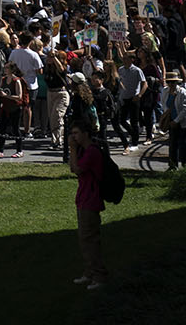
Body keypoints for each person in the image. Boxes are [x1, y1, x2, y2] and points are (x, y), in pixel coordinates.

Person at [67, 121, 108, 290]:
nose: (74, 137)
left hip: (90, 199)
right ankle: (90, 272)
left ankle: (99, 275)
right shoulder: (86, 151)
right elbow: (72, 167)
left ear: (86, 134)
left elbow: (77, 169)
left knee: (89, 238)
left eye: (76, 133)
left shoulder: (91, 152)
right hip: (84, 198)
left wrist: (73, 149)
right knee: (84, 239)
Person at [160, 73, 186, 168]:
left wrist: (176, 121)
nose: (171, 84)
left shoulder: (182, 92)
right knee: (173, 145)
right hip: (171, 121)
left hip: (181, 122)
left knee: (184, 145)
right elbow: (164, 104)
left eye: (173, 82)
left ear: (177, 82)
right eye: (169, 82)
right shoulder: (165, 91)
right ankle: (173, 166)